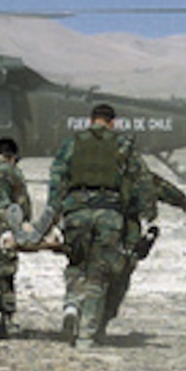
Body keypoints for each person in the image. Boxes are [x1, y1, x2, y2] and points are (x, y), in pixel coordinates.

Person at [45, 103, 154, 349]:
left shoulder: (73, 142)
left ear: (90, 120)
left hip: (76, 212)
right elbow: (142, 179)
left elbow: (57, 176)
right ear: (112, 122)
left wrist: (54, 211)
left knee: (76, 262)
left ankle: (72, 304)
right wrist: (149, 215)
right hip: (109, 214)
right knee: (98, 273)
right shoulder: (122, 144)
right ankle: (85, 336)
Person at [98, 171, 186, 338]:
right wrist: (182, 201)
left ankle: (76, 312)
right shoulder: (133, 168)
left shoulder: (87, 161)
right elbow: (154, 184)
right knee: (121, 273)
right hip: (124, 229)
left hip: (92, 225)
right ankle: (102, 320)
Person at [0, 137, 32, 342]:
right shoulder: (13, 172)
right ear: (12, 157)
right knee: (6, 274)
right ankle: (8, 318)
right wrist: (25, 225)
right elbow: (22, 202)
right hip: (5, 227)